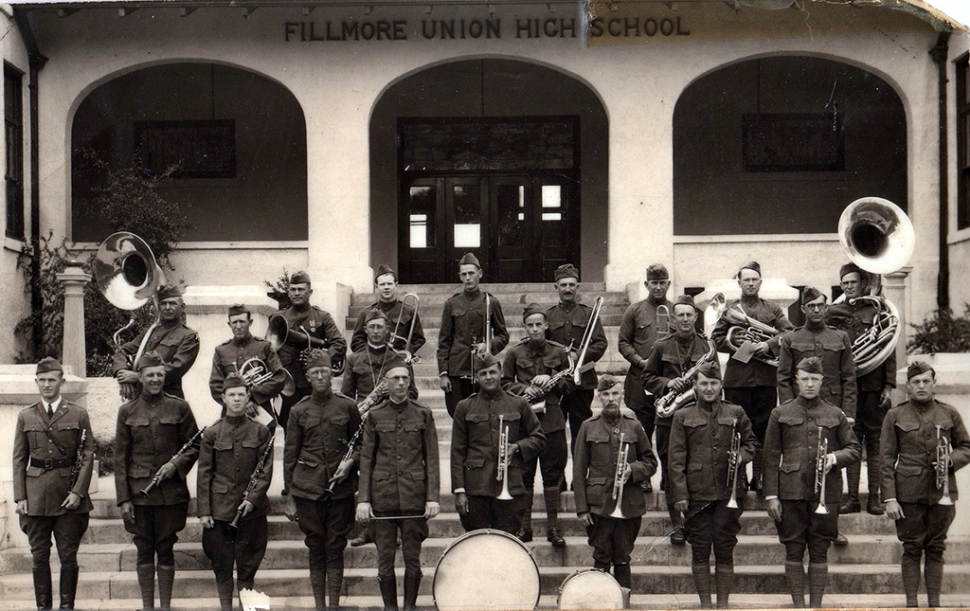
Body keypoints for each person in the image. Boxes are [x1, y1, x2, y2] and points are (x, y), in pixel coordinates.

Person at [763, 357, 861, 609]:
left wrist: (834, 457)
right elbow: (771, 456)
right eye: (804, 379)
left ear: (822, 381)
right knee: (793, 550)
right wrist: (771, 495)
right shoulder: (780, 413)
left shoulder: (835, 413)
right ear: (796, 380)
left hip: (826, 493)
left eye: (814, 379)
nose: (809, 384)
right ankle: (798, 605)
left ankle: (815, 605)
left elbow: (854, 449)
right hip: (790, 491)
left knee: (819, 549)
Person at [114, 351, 201, 611]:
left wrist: (176, 465)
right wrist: (123, 499)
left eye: (160, 375)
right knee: (143, 550)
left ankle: (165, 607)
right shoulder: (126, 411)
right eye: (150, 374)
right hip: (138, 495)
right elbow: (120, 459)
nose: (155, 379)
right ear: (140, 377)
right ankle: (147, 607)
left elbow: (195, 444)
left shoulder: (180, 407)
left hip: (170, 494)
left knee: (165, 548)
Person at [880, 361, 970, 608]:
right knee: (911, 549)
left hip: (943, 494)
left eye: (926, 381)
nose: (921, 386)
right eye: (916, 382)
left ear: (934, 383)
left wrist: (948, 461)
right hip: (907, 495)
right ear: (908, 386)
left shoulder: (949, 413)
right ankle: (911, 604)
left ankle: (934, 605)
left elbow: (966, 447)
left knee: (936, 548)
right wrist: (889, 498)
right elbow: (886, 459)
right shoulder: (894, 415)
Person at [668, 362, 757, 609]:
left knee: (725, 546)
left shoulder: (736, 412)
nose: (709, 388)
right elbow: (675, 460)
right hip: (697, 493)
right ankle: (706, 604)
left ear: (721, 386)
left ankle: (723, 604)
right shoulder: (682, 416)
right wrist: (680, 494)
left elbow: (751, 444)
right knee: (700, 547)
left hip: (730, 492)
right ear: (695, 386)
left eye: (713, 383)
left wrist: (741, 455)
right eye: (704, 383)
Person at [12, 357, 95, 611]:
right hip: (35, 497)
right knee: (39, 557)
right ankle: (43, 608)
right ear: (36, 382)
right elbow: (19, 459)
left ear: (62, 381)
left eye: (52, 380)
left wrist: (78, 492)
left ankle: (67, 607)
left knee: (68, 556)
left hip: (67, 496)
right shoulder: (26, 416)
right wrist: (20, 497)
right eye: (42, 380)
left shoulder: (78, 414)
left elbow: (87, 456)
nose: (47, 385)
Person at [357, 360, 440, 611]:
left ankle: (409, 608)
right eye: (396, 378)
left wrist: (432, 497)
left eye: (405, 378)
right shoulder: (375, 416)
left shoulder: (423, 413)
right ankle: (390, 608)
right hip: (383, 498)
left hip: (413, 497)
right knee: (385, 560)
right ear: (386, 383)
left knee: (413, 560)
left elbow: (432, 459)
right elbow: (367, 460)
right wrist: (363, 499)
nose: (402, 383)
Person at [777, 286, 857, 546]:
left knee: (832, 467)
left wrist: (849, 413)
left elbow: (849, 378)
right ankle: (803, 522)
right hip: (799, 411)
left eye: (820, 305)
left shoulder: (840, 337)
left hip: (833, 411)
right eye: (810, 306)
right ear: (802, 309)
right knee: (803, 462)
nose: (815, 310)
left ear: (827, 307)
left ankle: (832, 526)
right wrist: (789, 409)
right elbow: (784, 377)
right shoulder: (791, 339)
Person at [282, 350, 360, 611]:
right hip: (308, 490)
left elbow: (360, 445)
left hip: (341, 491)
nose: (320, 376)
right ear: (307, 377)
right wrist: (290, 498)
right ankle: (319, 606)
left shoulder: (347, 407)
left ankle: (335, 605)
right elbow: (290, 455)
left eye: (324, 371)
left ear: (332, 373)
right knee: (315, 546)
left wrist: (351, 463)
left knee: (335, 546)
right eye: (314, 373)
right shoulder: (298, 410)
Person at [710, 261, 793, 495]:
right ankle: (739, 478)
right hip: (737, 379)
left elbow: (789, 333)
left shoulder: (773, 309)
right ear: (739, 282)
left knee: (763, 429)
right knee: (736, 429)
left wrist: (767, 344)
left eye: (754, 279)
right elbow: (716, 339)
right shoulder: (730, 310)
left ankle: (759, 477)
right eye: (746, 279)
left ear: (760, 282)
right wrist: (740, 345)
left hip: (766, 379)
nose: (750, 283)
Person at [641, 294, 717, 545]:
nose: (685, 319)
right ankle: (677, 524)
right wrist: (666, 383)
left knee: (695, 468)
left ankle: (695, 521)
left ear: (696, 318)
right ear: (674, 318)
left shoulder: (707, 347)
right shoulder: (662, 346)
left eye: (689, 315)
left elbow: (717, 384)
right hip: (669, 418)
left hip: (698, 417)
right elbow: (646, 378)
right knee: (672, 471)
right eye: (680, 315)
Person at [573, 375, 657, 595]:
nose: (611, 398)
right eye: (606, 394)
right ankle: (600, 602)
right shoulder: (587, 427)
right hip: (598, 505)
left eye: (615, 394)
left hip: (628, 504)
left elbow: (651, 462)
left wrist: (634, 470)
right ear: (598, 396)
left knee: (622, 558)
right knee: (601, 558)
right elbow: (579, 470)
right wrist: (582, 509)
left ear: (622, 396)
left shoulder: (635, 426)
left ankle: (624, 603)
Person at [197, 373, 274, 611]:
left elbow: (266, 470)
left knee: (248, 563)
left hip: (252, 511)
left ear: (248, 397)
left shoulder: (260, 431)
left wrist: (253, 499)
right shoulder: (212, 433)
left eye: (241, 394)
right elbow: (204, 474)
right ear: (223, 398)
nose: (237, 399)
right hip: (220, 511)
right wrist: (204, 511)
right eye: (232, 395)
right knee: (222, 564)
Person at [343, 309, 417, 548]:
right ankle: (367, 529)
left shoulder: (399, 358)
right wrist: (361, 408)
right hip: (365, 421)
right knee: (366, 472)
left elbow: (413, 393)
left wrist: (393, 391)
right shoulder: (354, 359)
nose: (376, 332)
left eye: (380, 327)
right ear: (365, 330)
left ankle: (392, 529)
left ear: (388, 331)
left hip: (392, 421)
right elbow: (345, 397)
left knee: (391, 473)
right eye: (371, 327)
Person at [826, 263, 895, 516]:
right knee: (850, 441)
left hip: (874, 386)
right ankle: (852, 499)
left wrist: (888, 385)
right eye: (845, 283)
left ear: (862, 283)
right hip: (847, 388)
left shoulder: (878, 309)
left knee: (875, 442)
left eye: (853, 282)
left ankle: (874, 499)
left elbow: (889, 346)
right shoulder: (833, 311)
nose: (849, 287)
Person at [502, 303, 573, 546]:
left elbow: (571, 384)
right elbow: (503, 385)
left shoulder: (559, 352)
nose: (534, 329)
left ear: (546, 325)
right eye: (530, 325)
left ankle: (553, 528)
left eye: (538, 325)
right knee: (526, 474)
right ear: (525, 327)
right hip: (525, 422)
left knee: (552, 474)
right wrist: (525, 388)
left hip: (552, 419)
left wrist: (551, 376)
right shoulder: (514, 353)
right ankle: (525, 528)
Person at [451, 352, 546, 533]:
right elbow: (457, 452)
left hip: (511, 484)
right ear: (476, 377)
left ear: (501, 372)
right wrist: (459, 490)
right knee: (477, 544)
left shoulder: (519, 403)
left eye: (492, 372)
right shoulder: (464, 407)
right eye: (483, 373)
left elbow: (539, 438)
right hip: (476, 488)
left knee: (507, 542)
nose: (488, 377)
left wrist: (517, 447)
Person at [617, 263, 675, 492]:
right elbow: (623, 342)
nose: (658, 287)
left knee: (667, 433)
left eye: (662, 283)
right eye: (654, 283)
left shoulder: (676, 310)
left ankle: (668, 478)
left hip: (668, 382)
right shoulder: (634, 310)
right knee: (641, 432)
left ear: (668, 284)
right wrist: (642, 362)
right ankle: (642, 477)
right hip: (640, 379)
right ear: (646, 284)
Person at [545, 264, 608, 466]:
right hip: (557, 384)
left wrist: (578, 355)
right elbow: (543, 349)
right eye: (563, 285)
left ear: (577, 286)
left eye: (572, 284)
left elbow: (600, 343)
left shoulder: (589, 314)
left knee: (581, 431)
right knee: (555, 432)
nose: (568, 289)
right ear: (556, 287)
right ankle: (558, 478)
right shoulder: (548, 316)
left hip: (583, 382)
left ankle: (579, 476)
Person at [437, 253, 510, 417]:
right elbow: (444, 341)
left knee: (483, 415)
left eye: (471, 273)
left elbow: (503, 335)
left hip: (482, 369)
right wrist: (443, 374)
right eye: (464, 274)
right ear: (460, 277)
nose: (468, 278)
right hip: (456, 370)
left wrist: (488, 345)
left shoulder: (491, 302)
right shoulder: (452, 304)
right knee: (457, 414)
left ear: (480, 274)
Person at [273, 270, 348, 430]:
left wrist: (320, 357)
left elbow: (339, 343)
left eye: (301, 289)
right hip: (288, 387)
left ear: (310, 291)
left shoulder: (322, 317)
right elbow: (270, 350)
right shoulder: (279, 317)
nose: (296, 293)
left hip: (314, 385)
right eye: (293, 289)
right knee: (290, 430)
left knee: (318, 428)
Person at [112, 284, 200, 399]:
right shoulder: (150, 331)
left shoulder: (189, 336)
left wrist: (138, 377)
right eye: (163, 303)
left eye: (172, 303)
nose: (167, 307)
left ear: (182, 307)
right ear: (159, 307)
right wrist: (122, 374)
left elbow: (175, 369)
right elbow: (122, 351)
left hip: (168, 398)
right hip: (141, 398)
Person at [209, 303, 286, 427]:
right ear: (229, 324)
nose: (238, 326)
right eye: (234, 322)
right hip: (231, 417)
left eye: (242, 322)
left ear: (250, 322)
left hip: (261, 413)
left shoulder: (264, 346)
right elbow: (215, 386)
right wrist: (240, 402)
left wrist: (252, 397)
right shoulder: (221, 350)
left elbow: (279, 378)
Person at [350, 264, 426, 357]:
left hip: (400, 364)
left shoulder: (409, 311)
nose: (386, 287)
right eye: (382, 284)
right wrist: (372, 354)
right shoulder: (366, 313)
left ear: (396, 285)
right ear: (376, 287)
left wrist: (408, 353)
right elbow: (356, 343)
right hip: (374, 364)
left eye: (389, 284)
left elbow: (420, 341)